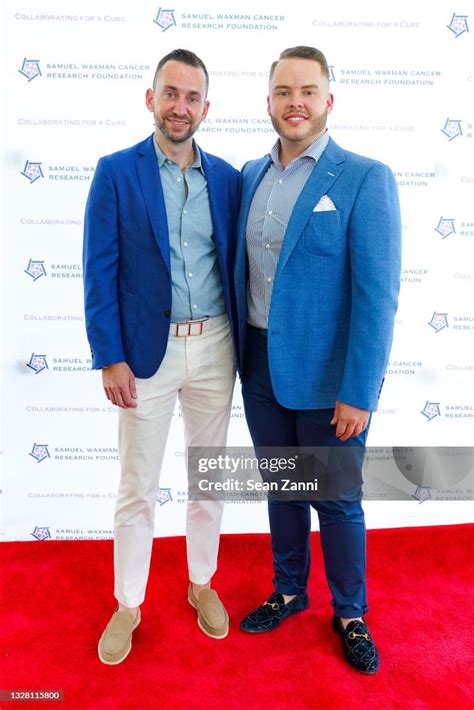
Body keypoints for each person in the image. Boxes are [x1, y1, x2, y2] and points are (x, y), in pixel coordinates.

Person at [234, 46, 401, 674]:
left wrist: (359, 390)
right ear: (269, 100)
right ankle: (288, 589)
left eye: (307, 90)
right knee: (282, 488)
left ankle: (351, 612)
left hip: (330, 380)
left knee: (334, 499)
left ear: (329, 100)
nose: (294, 102)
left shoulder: (363, 177)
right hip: (258, 367)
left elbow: (376, 297)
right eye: (283, 91)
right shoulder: (250, 175)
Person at [83, 49, 240, 664]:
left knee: (208, 480)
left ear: (205, 106)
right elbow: (99, 271)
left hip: (216, 347)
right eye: (170, 94)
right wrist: (109, 355)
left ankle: (201, 583)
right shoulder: (116, 172)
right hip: (145, 355)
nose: (181, 107)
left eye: (192, 97)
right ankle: (128, 603)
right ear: (151, 98)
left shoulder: (227, 177)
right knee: (137, 486)